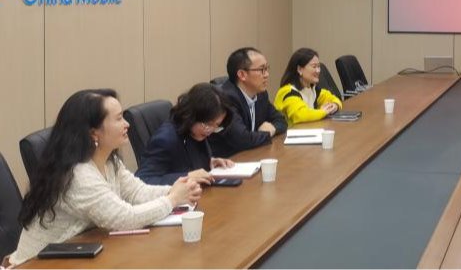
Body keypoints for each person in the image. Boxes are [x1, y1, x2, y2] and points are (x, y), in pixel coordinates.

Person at [6, 89, 201, 266]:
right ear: (93, 133)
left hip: (76, 256)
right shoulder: (78, 175)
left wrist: (176, 189)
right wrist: (173, 199)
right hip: (37, 264)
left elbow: (137, 192)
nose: (127, 124)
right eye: (118, 119)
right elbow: (125, 219)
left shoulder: (109, 161)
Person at [136, 83, 234, 186]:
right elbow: (142, 180)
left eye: (217, 125)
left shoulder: (196, 131)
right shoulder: (165, 139)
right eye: (208, 124)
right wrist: (187, 176)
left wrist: (210, 163)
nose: (210, 130)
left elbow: (189, 163)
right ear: (191, 114)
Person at [209, 47, 288, 157]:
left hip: (252, 155)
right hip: (228, 160)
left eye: (267, 68)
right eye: (261, 69)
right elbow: (242, 139)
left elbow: (281, 120)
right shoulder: (226, 98)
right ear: (242, 74)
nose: (266, 74)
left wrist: (273, 128)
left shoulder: (260, 95)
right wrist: (267, 133)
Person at [274, 48, 342, 126]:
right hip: (288, 133)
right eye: (314, 67)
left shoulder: (312, 88)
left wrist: (335, 105)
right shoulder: (288, 92)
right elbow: (300, 115)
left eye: (318, 66)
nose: (318, 71)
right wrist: (323, 112)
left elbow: (333, 98)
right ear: (299, 69)